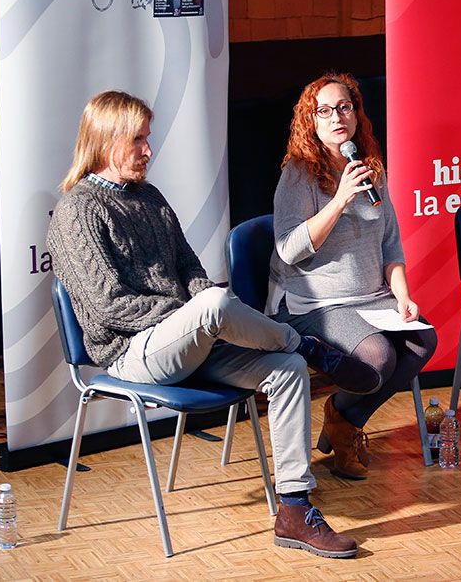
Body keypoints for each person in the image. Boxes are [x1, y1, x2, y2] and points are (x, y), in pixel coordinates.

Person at [47, 91, 363, 558]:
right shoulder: (78, 211)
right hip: (131, 353)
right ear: (106, 141)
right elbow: (110, 305)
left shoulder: (149, 198)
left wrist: (203, 316)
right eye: (137, 141)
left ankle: (294, 508)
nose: (148, 151)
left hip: (185, 342)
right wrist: (198, 317)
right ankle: (309, 344)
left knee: (287, 370)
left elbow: (191, 273)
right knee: (219, 306)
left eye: (147, 139)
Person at [270, 73, 437, 479]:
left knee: (422, 341)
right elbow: (288, 249)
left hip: (372, 297)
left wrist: (403, 296)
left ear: (357, 114)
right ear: (311, 121)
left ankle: (343, 419)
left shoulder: (371, 170)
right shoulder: (299, 173)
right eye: (323, 111)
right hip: (314, 303)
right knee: (378, 356)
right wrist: (340, 200)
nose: (336, 117)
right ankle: (344, 426)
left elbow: (391, 245)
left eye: (344, 107)